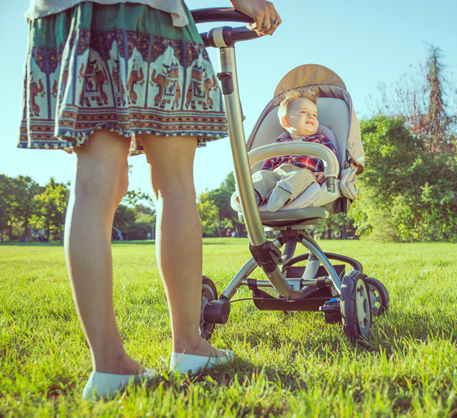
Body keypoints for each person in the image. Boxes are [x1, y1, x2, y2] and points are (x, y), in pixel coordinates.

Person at [20, 0, 281, 401]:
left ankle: (109, 365)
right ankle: (189, 346)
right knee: (174, 183)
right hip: (145, 14)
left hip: (65, 16)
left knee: (93, 184)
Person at [252, 89, 339, 212]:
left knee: (301, 176)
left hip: (306, 175)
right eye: (303, 112)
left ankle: (280, 195)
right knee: (261, 176)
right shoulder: (279, 144)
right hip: (278, 175)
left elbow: (332, 159)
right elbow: (267, 167)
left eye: (315, 115)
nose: (311, 116)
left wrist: (327, 173)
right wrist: (265, 178)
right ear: (286, 121)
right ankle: (254, 194)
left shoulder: (320, 140)